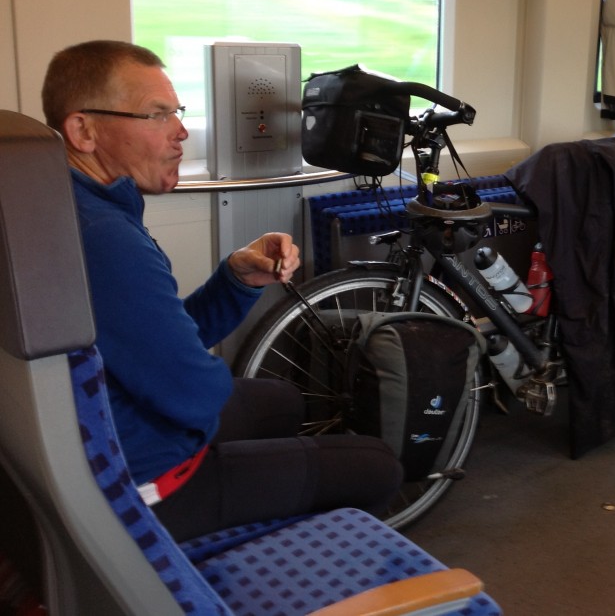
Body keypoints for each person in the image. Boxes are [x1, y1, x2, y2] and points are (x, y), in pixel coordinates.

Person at [42, 40, 403, 541]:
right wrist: (199, 380)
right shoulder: (105, 239)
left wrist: (236, 278)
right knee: (376, 465)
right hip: (148, 488)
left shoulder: (67, 202)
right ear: (83, 129)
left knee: (279, 399)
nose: (181, 132)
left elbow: (155, 343)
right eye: (157, 115)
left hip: (110, 435)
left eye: (178, 112)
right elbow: (196, 393)